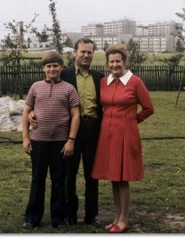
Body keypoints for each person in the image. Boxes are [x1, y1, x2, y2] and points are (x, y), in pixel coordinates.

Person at [28, 38, 104, 226]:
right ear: (75, 53)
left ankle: (91, 215)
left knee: (92, 174)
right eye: (82, 52)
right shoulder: (66, 74)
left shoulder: (100, 78)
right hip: (70, 130)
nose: (86, 55)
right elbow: (46, 94)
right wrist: (31, 111)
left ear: (93, 54)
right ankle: (69, 213)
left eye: (89, 52)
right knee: (68, 173)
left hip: (93, 128)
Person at [91, 44, 154, 233]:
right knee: (113, 177)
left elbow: (148, 108)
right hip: (107, 135)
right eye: (112, 61)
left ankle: (124, 219)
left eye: (118, 61)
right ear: (107, 63)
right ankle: (116, 217)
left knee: (123, 177)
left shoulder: (135, 82)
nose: (115, 65)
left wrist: (132, 121)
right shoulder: (104, 82)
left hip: (126, 134)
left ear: (124, 62)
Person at [21, 51, 80, 229]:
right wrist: (25, 137)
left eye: (55, 65)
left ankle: (58, 218)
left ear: (61, 67)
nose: (52, 69)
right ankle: (32, 218)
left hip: (61, 142)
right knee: (37, 179)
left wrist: (71, 140)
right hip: (38, 141)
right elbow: (26, 112)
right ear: (43, 68)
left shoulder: (69, 88)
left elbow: (76, 115)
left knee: (58, 180)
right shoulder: (35, 87)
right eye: (48, 66)